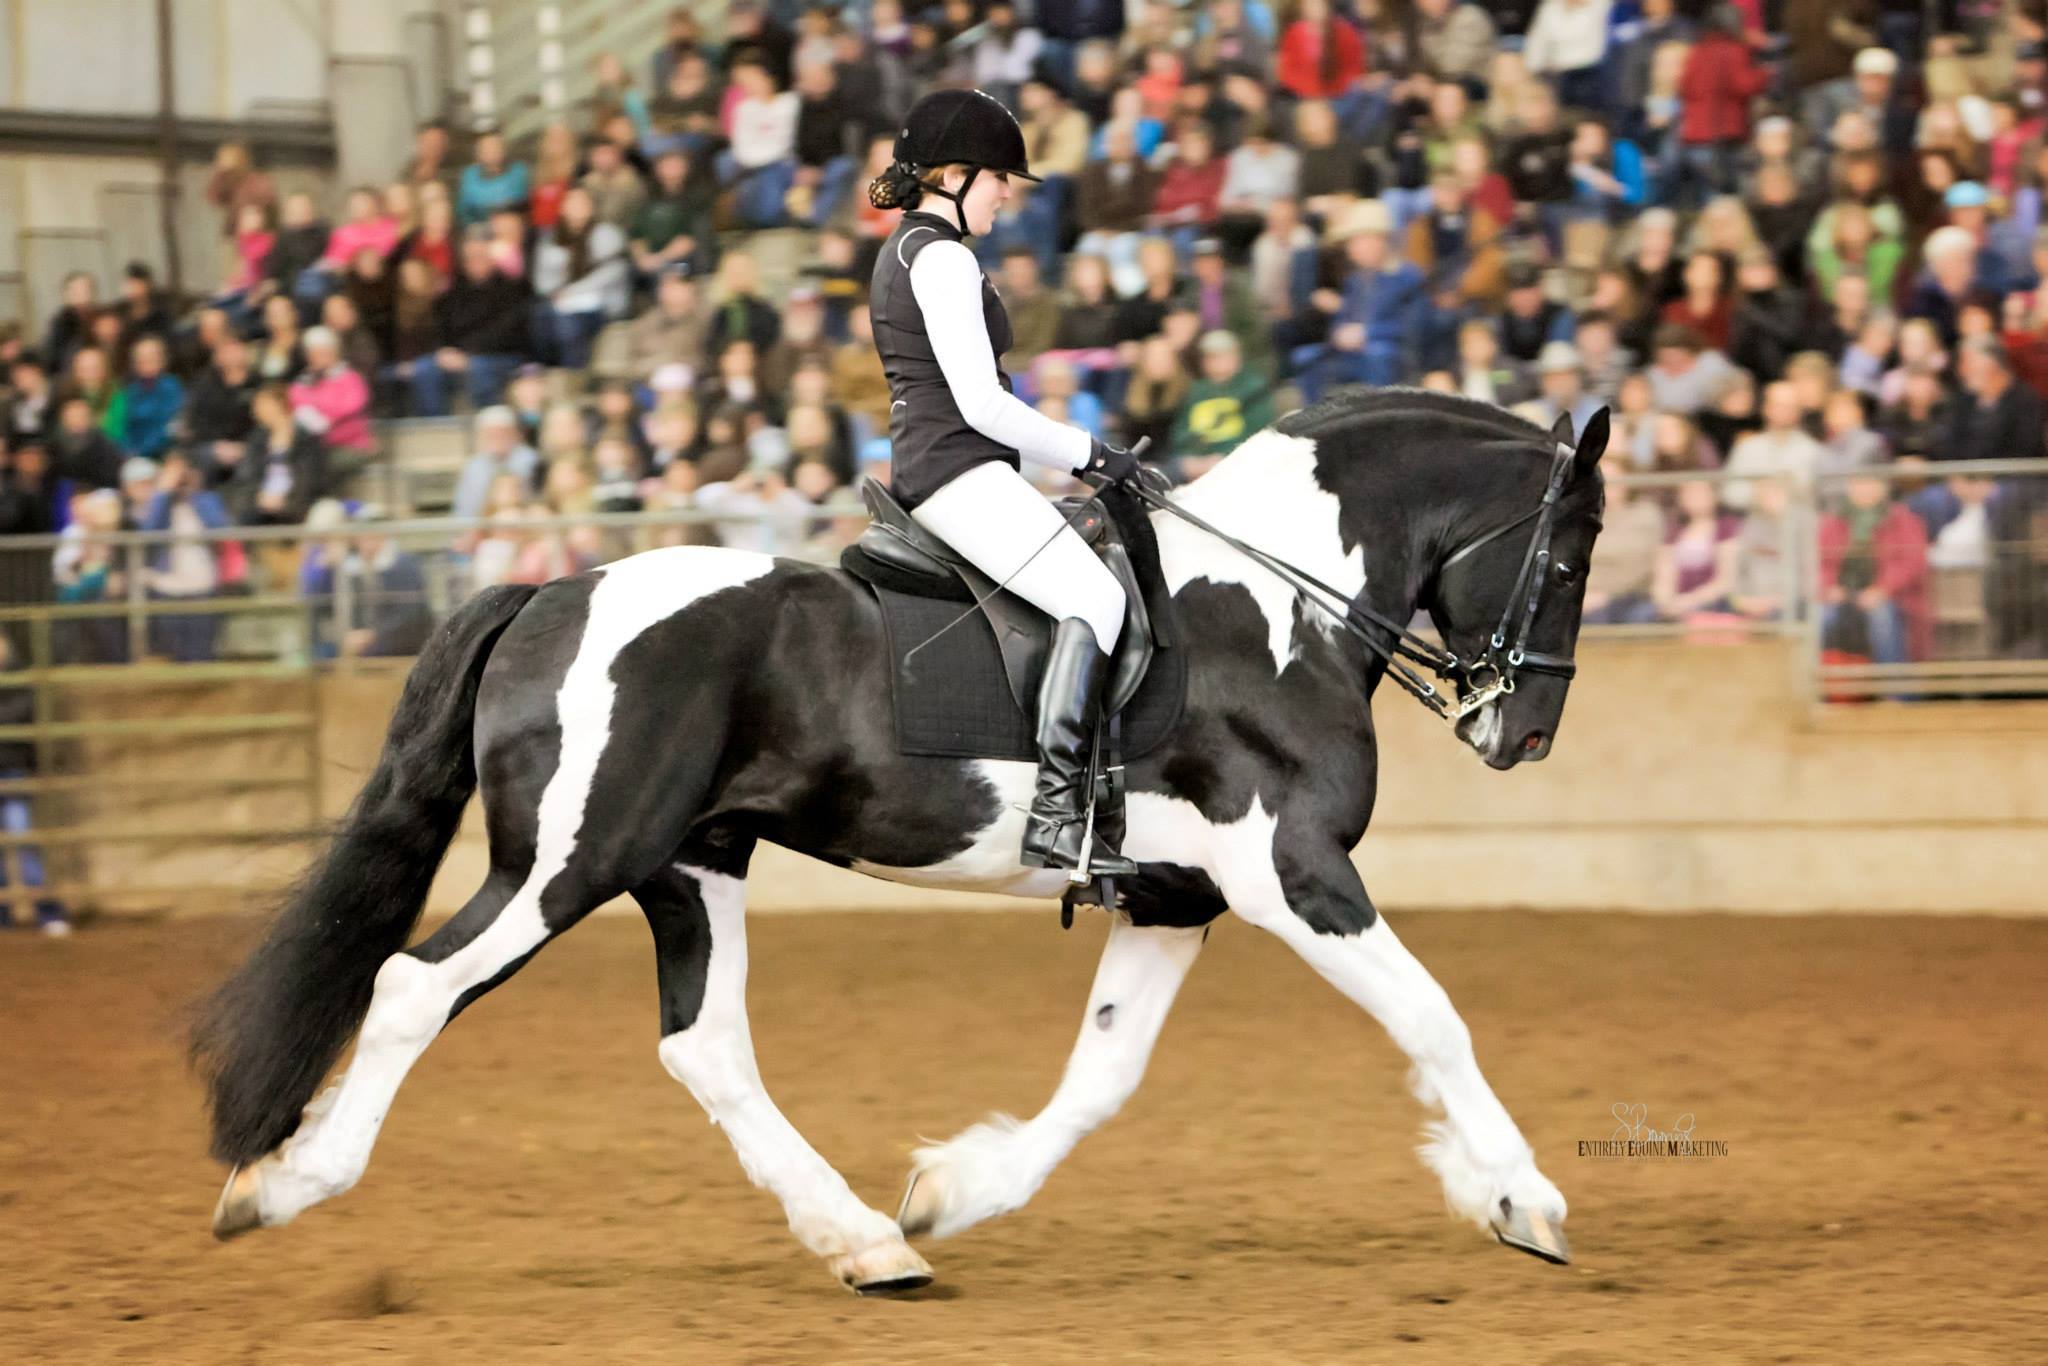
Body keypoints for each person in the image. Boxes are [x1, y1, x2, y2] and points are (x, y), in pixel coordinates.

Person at [865, 88, 1144, 879]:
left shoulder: (915, 250)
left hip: (957, 469)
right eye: (997, 178)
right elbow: (982, 403)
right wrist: (1092, 452)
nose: (1007, 193)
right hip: (959, 472)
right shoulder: (943, 256)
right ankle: (1060, 815)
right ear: (951, 176)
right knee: (1097, 601)